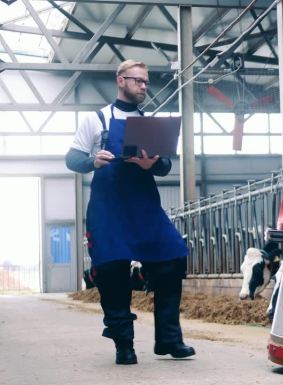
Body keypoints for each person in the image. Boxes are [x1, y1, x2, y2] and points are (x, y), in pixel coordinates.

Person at [65, 60, 195, 365]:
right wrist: (92, 161)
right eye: (139, 81)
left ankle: (169, 339)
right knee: (112, 270)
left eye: (146, 82)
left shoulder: (149, 124)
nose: (144, 87)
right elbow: (72, 158)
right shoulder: (96, 120)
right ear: (121, 80)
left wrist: (154, 164)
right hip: (108, 206)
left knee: (172, 257)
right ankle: (124, 344)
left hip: (143, 203)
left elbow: (164, 165)